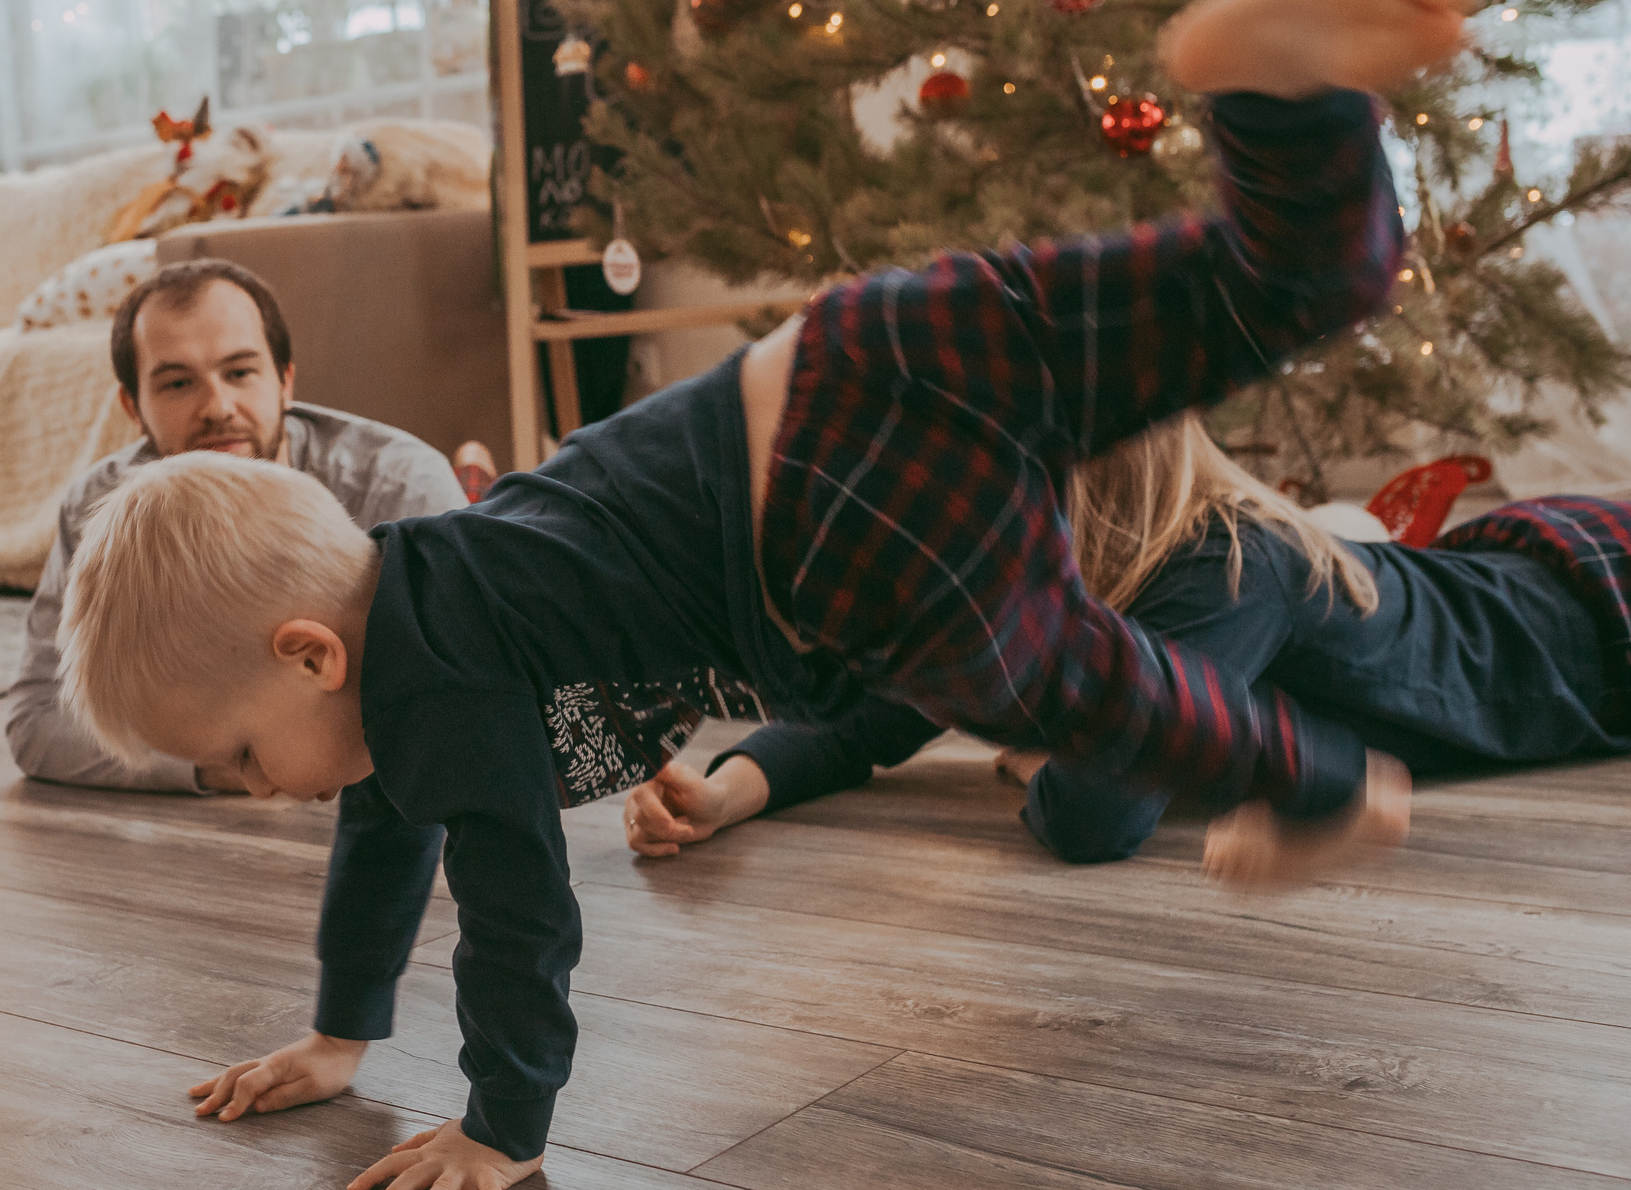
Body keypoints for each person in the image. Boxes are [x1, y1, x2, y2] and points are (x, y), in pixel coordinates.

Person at [53, 0, 1503, 1190]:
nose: (250, 787)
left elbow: (515, 909)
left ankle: (1312, 778)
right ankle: (1282, 95)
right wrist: (340, 1031)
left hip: (832, 510)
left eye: (233, 753)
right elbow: (383, 839)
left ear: (309, 654)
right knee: (1249, 295)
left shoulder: (430, 683)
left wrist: (502, 1124)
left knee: (1058, 671)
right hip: (853, 347)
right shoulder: (422, 604)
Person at [627, 415, 1631, 864]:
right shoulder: (1061, 583)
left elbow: (1092, 820)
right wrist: (726, 790)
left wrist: (1034, 762)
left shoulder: (1222, 567)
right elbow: (868, 718)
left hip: (1574, 633)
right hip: (1506, 577)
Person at [7, 257, 467, 790]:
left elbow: (457, 697)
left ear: (286, 381)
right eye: (178, 383)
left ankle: (475, 494)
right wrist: (237, 760)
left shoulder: (400, 486)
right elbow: (37, 721)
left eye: (240, 373)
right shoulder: (101, 510)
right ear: (133, 407)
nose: (218, 406)